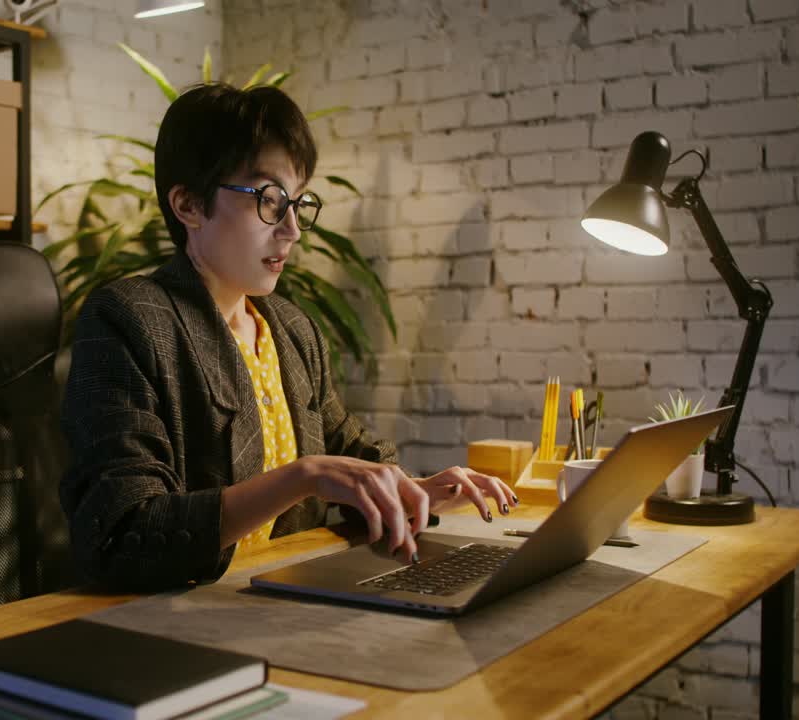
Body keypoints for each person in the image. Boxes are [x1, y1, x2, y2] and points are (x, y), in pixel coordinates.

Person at [59, 83, 515, 591]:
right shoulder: (131, 320)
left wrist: (413, 491)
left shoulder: (291, 329)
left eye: (297, 202)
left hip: (280, 594)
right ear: (188, 205)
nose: (292, 229)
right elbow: (123, 537)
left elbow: (349, 456)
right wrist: (301, 478)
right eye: (270, 201)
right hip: (175, 619)